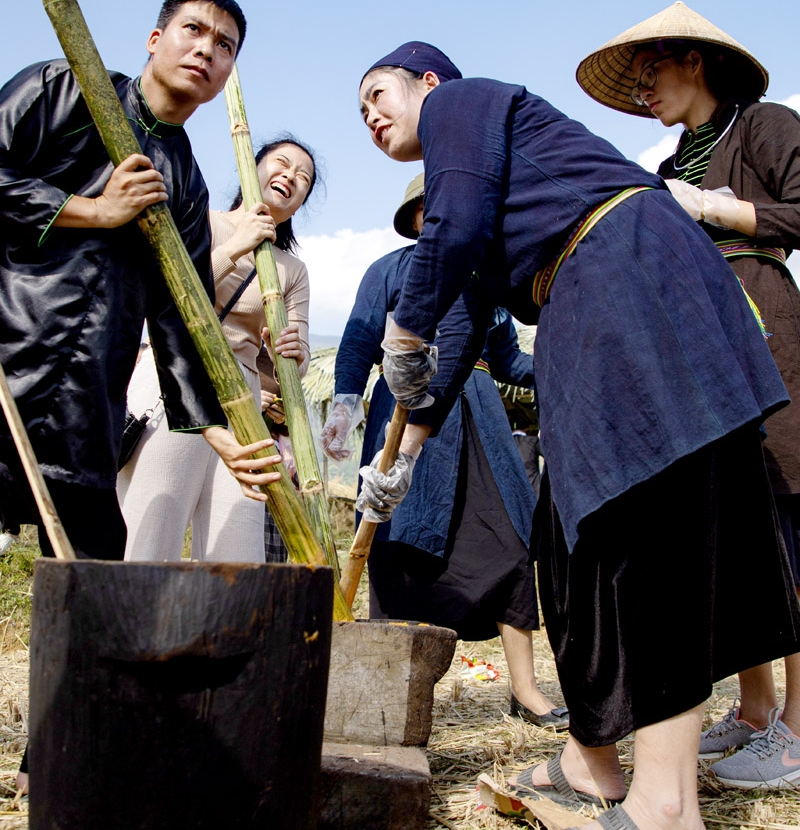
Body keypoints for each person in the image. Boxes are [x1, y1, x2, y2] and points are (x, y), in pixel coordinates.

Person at [356, 41, 800, 830]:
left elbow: (444, 249)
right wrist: (409, 451)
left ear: (428, 82)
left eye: (378, 94)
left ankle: (665, 803)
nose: (371, 115)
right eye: (361, 112)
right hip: (591, 303)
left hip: (628, 279)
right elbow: (460, 333)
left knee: (645, 529)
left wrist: (402, 325)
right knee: (567, 541)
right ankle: (589, 761)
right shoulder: (491, 201)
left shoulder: (464, 101)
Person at [0, 0, 281, 792]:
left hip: (87, 393)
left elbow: (184, 314)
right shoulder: (62, 88)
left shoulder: (185, 182)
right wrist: (90, 209)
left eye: (224, 45)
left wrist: (219, 431)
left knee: (97, 572)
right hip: (8, 356)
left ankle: (57, 756)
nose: (206, 48)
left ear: (228, 73)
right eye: (194, 30)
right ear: (156, 36)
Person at [576, 0, 800, 789]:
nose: (643, 92)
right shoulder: (668, 167)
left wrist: (710, 208)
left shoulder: (765, 126)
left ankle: (799, 732)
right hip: (698, 354)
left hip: (766, 326)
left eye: (650, 74)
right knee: (741, 522)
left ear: (693, 62)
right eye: (634, 83)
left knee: (787, 505)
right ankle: (753, 708)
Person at [321, 173, 567, 727]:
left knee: (508, 544)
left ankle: (525, 690)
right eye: (431, 208)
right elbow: (360, 338)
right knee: (396, 546)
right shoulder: (390, 269)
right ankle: (390, 694)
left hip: (479, 413)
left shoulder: (491, 279)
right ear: (414, 219)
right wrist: (343, 402)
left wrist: (560, 362)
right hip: (405, 411)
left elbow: (508, 363)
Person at [118, 136, 318, 563]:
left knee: (241, 547)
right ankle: (131, 626)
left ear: (299, 206)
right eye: (281, 163)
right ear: (251, 167)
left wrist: (292, 351)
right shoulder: (201, 219)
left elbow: (294, 364)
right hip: (177, 375)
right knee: (156, 524)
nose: (290, 176)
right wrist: (235, 247)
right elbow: (167, 294)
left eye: (303, 178)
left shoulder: (293, 270)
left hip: (244, 403)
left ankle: (224, 631)